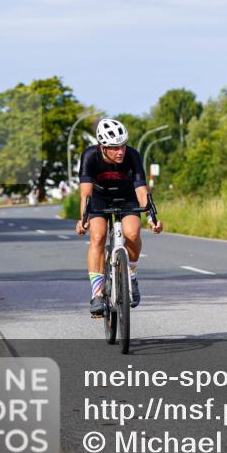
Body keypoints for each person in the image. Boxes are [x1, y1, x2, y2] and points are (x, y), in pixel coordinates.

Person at [74, 118, 163, 316]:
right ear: (102, 147)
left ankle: (131, 275)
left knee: (132, 233)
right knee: (98, 236)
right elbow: (85, 194)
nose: (120, 151)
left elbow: (141, 193)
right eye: (114, 148)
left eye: (122, 145)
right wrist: (84, 219)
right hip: (99, 198)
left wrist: (151, 218)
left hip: (127, 197)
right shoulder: (89, 156)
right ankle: (97, 294)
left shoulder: (133, 155)